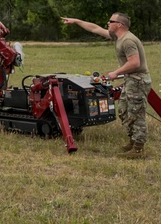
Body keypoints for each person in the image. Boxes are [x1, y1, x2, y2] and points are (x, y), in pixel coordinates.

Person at [62, 13, 152, 158]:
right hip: (131, 79)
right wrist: (77, 20)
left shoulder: (128, 40)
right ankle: (132, 141)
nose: (108, 23)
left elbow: (135, 63)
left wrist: (115, 73)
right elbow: (95, 29)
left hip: (138, 80)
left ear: (119, 25)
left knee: (136, 113)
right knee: (124, 111)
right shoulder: (118, 37)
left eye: (111, 21)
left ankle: (138, 149)